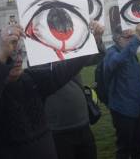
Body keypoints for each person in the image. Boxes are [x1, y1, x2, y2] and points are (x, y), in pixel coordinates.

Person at [0, 23, 102, 159]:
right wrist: (2, 56)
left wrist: (91, 40)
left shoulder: (31, 79)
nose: (17, 59)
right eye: (10, 54)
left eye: (20, 51)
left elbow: (66, 68)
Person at [45, 21, 105, 159]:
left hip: (82, 123)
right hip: (57, 129)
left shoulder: (68, 48)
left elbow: (95, 58)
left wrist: (96, 39)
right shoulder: (38, 55)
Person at [103, 23, 140, 159]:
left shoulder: (131, 54)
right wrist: (137, 37)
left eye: (132, 36)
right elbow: (117, 61)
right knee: (124, 148)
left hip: (137, 108)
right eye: (127, 37)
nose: (131, 40)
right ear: (117, 38)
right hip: (122, 109)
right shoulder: (112, 53)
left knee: (139, 145)